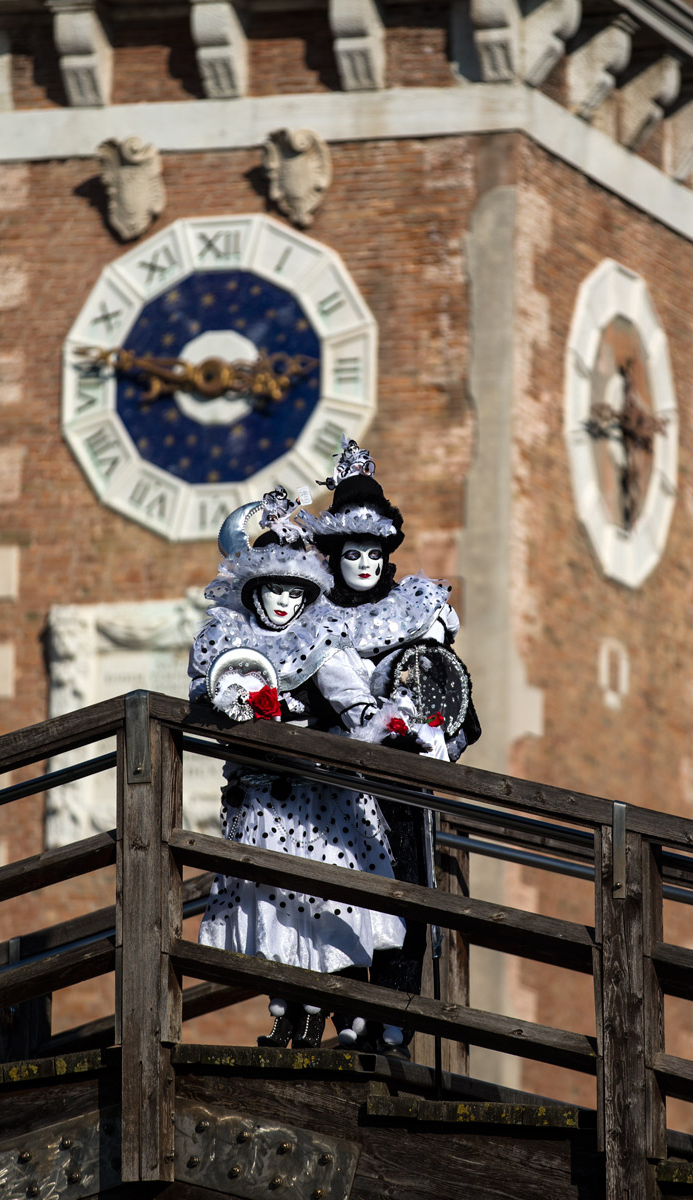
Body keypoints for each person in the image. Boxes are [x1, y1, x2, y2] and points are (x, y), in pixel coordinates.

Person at [190, 487, 414, 1050]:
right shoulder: (227, 637)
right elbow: (203, 692)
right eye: (276, 589)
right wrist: (230, 704)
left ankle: (315, 1014)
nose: (286, 601)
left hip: (320, 801)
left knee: (319, 903)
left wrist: (381, 727)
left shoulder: (322, 640)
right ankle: (285, 1012)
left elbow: (353, 702)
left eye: (295, 590)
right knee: (269, 902)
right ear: (256, 591)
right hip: (262, 801)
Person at [302, 440, 480, 1058]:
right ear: (335, 555)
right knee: (341, 894)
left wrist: (426, 733)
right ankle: (351, 1014)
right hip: (338, 787)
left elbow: (447, 691)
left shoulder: (418, 609)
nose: (366, 564)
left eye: (374, 553)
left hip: (402, 781)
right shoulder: (314, 616)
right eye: (353, 553)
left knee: (406, 890)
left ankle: (397, 1023)